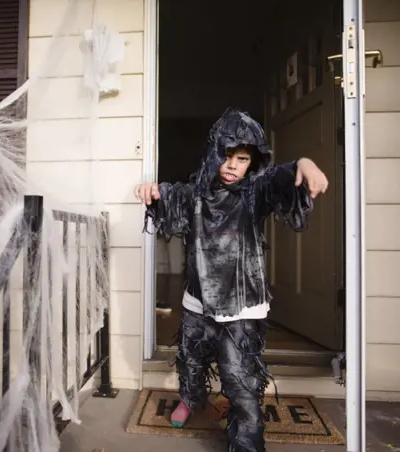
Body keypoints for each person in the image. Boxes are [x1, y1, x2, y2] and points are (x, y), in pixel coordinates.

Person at [134, 108, 328, 452]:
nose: (232, 165)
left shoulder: (257, 191)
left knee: (240, 381)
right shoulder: (195, 193)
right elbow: (167, 194)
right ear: (213, 155)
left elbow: (282, 177)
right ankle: (191, 400)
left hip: (242, 308)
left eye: (241, 158)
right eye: (226, 156)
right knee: (190, 360)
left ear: (252, 161)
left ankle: (247, 443)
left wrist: (305, 164)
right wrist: (151, 189)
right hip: (197, 301)